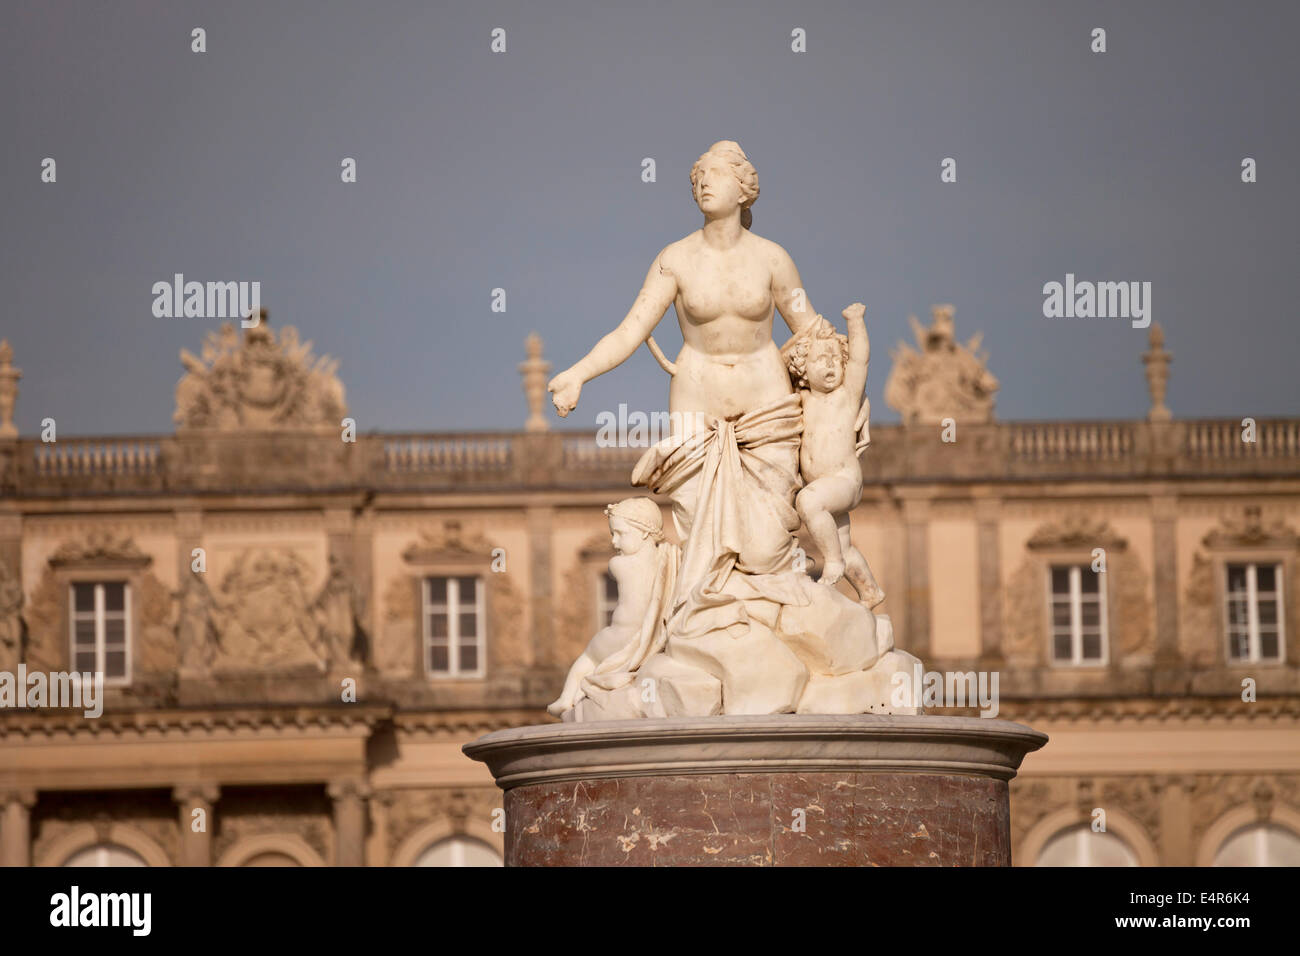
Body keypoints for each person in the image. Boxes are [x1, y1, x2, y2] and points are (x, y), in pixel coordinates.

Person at [783, 304, 885, 607]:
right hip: (826, 486)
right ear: (802, 368)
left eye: (834, 359)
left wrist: (855, 322)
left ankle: (833, 562)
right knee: (844, 545)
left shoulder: (846, 396)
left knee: (807, 502)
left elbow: (860, 359)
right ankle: (870, 591)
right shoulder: (801, 399)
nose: (830, 366)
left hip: (844, 481)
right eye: (819, 360)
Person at [546, 498, 676, 717]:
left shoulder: (619, 564)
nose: (614, 542)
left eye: (619, 533)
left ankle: (566, 697)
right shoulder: (668, 559)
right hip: (651, 637)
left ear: (644, 532)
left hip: (619, 636)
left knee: (588, 658)